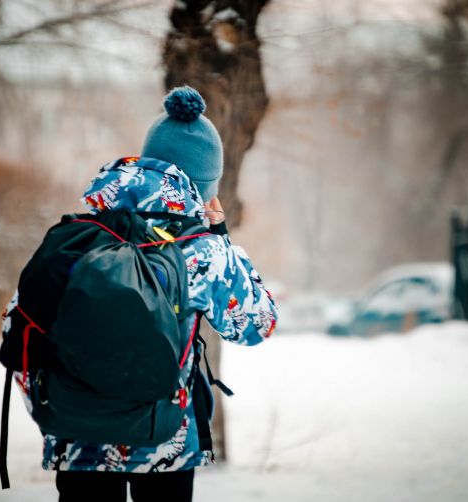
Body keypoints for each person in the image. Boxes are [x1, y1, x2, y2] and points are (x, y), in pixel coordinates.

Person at [15, 85, 278, 501]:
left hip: (78, 435)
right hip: (165, 440)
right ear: (206, 185)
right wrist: (221, 235)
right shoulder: (201, 249)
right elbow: (257, 324)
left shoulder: (79, 237)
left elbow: (21, 321)